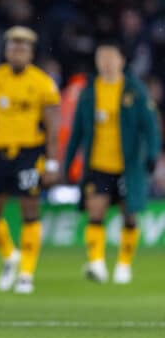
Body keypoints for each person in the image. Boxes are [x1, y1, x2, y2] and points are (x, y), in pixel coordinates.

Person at [0, 26, 61, 294]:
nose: (17, 51)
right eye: (13, 46)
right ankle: (10, 256)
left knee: (30, 209)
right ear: (6, 50)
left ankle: (26, 274)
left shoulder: (42, 82)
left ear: (31, 52)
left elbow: (53, 126)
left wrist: (53, 162)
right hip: (0, 153)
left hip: (29, 153)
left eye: (22, 47)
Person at [64, 41, 161, 284]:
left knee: (129, 215)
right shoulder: (89, 91)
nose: (106, 62)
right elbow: (76, 131)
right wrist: (67, 164)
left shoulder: (134, 90)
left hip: (128, 167)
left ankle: (124, 265)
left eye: (110, 57)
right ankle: (96, 263)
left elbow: (150, 128)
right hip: (98, 165)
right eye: (101, 57)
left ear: (121, 61)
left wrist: (152, 155)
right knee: (95, 211)